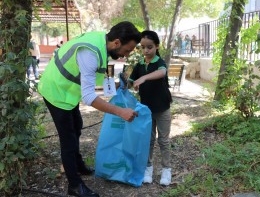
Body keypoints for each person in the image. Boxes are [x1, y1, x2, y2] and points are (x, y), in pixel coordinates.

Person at [38, 21, 141, 197]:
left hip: (68, 91)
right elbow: (88, 97)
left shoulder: (102, 44)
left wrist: (117, 85)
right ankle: (75, 186)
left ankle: (77, 164)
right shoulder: (90, 52)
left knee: (77, 125)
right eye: (127, 50)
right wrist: (120, 112)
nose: (127, 54)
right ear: (117, 43)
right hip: (55, 90)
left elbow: (94, 81)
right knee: (68, 138)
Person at [127, 30, 173, 186]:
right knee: (149, 140)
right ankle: (148, 168)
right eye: (143, 47)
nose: (146, 51)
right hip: (146, 110)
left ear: (157, 46)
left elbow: (162, 73)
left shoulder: (160, 62)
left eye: (150, 47)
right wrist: (123, 83)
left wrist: (144, 77)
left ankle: (166, 170)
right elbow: (131, 81)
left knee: (164, 141)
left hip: (163, 108)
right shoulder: (139, 65)